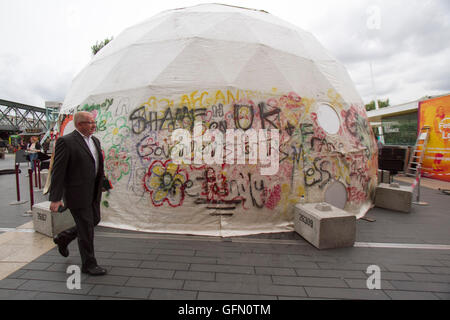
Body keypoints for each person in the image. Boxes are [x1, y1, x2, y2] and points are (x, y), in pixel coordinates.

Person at [49, 111, 107, 276]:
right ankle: (89, 264)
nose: (94, 125)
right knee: (86, 228)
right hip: (77, 193)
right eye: (90, 123)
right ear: (80, 124)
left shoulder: (95, 141)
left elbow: (96, 165)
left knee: (94, 220)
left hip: (93, 191)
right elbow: (58, 172)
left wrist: (102, 182)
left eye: (94, 122)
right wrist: (55, 198)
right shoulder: (66, 142)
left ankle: (64, 238)